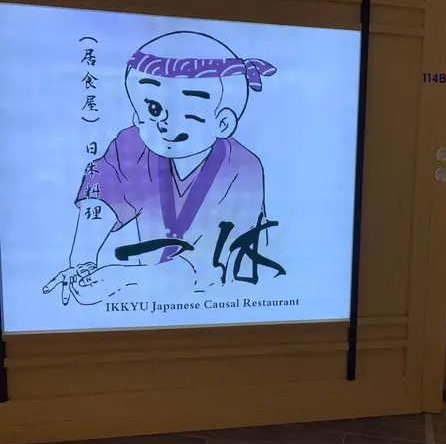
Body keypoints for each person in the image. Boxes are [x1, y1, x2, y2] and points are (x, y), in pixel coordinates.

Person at [42, 31, 277, 305]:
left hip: (221, 305)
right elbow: (102, 195)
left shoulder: (243, 168)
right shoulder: (132, 144)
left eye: (187, 112)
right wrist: (83, 262)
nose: (166, 123)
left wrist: (124, 280)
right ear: (137, 114)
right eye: (154, 109)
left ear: (223, 123)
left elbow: (213, 262)